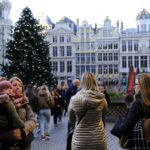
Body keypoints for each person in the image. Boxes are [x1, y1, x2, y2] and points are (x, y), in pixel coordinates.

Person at [68, 72, 108, 150]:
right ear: (94, 82)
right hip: (98, 139)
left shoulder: (74, 99)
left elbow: (71, 119)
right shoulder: (102, 99)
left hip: (80, 140)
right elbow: (104, 115)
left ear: (82, 82)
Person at [111, 73, 150, 149]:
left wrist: (117, 127)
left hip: (140, 143)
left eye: (136, 84)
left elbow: (126, 127)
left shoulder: (138, 104)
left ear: (142, 86)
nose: (134, 86)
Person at [0, 77, 37, 150]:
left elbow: (33, 120)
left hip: (24, 144)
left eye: (20, 86)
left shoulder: (25, 103)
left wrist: (22, 131)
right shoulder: (3, 104)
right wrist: (11, 134)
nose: (18, 87)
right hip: (7, 144)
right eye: (14, 85)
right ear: (8, 88)